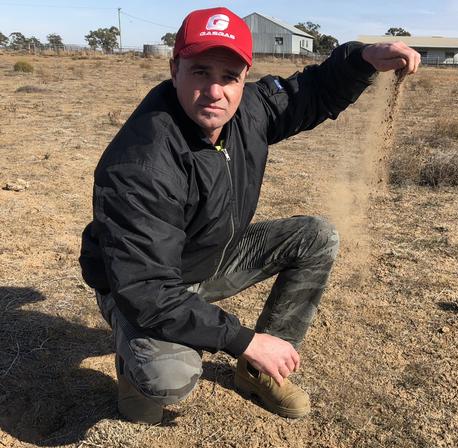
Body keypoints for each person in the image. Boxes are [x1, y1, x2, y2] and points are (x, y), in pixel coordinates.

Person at [79, 6, 420, 424]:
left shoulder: (247, 110)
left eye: (229, 76)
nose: (215, 90)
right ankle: (135, 366)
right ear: (175, 68)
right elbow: (146, 289)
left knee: (315, 237)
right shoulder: (140, 165)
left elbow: (306, 93)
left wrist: (361, 60)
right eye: (200, 71)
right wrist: (244, 339)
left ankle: (259, 373)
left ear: (244, 78)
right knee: (168, 376)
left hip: (207, 255)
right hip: (139, 286)